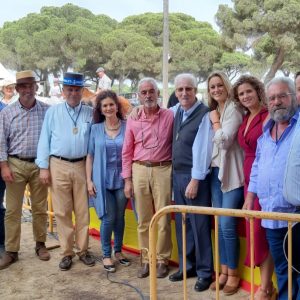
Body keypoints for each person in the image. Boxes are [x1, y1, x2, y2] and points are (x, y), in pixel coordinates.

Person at [244, 77, 300, 300]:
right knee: (282, 270)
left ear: (293, 97)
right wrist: (250, 198)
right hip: (271, 216)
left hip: (296, 217)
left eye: (282, 96)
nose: (277, 101)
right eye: (273, 97)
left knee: (299, 271)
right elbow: (257, 167)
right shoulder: (266, 134)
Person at [36, 72, 95, 271]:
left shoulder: (89, 113)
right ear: (63, 91)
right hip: (58, 164)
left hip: (81, 165)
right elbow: (44, 139)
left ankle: (84, 250)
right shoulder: (53, 112)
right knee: (62, 212)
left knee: (82, 211)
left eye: (77, 89)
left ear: (82, 91)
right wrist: (44, 167)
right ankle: (67, 252)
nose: (73, 93)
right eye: (69, 89)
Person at [122, 77, 173, 279]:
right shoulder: (133, 118)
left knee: (163, 218)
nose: (148, 95)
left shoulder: (170, 116)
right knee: (142, 219)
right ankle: (146, 258)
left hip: (163, 169)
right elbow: (126, 150)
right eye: (143, 92)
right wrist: (127, 179)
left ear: (157, 93)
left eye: (151, 91)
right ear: (138, 96)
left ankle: (162, 260)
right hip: (139, 169)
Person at [168, 73, 214, 292]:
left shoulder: (204, 114)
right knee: (182, 224)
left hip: (195, 177)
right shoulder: (176, 111)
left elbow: (204, 151)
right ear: (175, 92)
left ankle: (205, 272)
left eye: (188, 89)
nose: (184, 93)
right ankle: (187, 265)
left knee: (200, 225)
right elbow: (155, 114)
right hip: (177, 176)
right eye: (180, 90)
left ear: (196, 91)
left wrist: (195, 180)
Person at [0, 70, 50, 269]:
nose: (28, 90)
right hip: (16, 164)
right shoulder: (7, 113)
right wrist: (3, 166)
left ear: (36, 87)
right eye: (23, 86)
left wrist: (48, 165)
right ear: (17, 89)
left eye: (31, 86)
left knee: (40, 208)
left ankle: (40, 245)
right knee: (12, 211)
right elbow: (1, 142)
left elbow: (52, 139)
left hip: (40, 165)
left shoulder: (47, 111)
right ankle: (12, 251)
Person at [233, 75, 275, 299]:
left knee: (261, 231)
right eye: (241, 94)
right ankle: (264, 285)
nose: (245, 96)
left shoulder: (269, 116)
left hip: (263, 176)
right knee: (253, 231)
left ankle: (266, 287)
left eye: (249, 91)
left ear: (258, 91)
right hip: (248, 177)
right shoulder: (245, 117)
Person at [208, 71, 244, 295]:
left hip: (232, 174)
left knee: (228, 226)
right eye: (212, 87)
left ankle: (233, 274)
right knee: (219, 227)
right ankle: (222, 271)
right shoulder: (218, 109)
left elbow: (224, 140)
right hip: (215, 172)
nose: (216, 90)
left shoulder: (233, 109)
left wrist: (215, 122)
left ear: (226, 85)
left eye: (219, 85)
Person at [86, 90, 130, 273]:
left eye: (111, 104)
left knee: (120, 217)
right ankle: (106, 254)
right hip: (102, 180)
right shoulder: (95, 129)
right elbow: (89, 156)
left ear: (117, 106)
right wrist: (88, 181)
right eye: (105, 105)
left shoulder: (128, 126)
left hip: (123, 179)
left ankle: (118, 251)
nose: (109, 108)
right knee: (108, 216)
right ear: (100, 109)